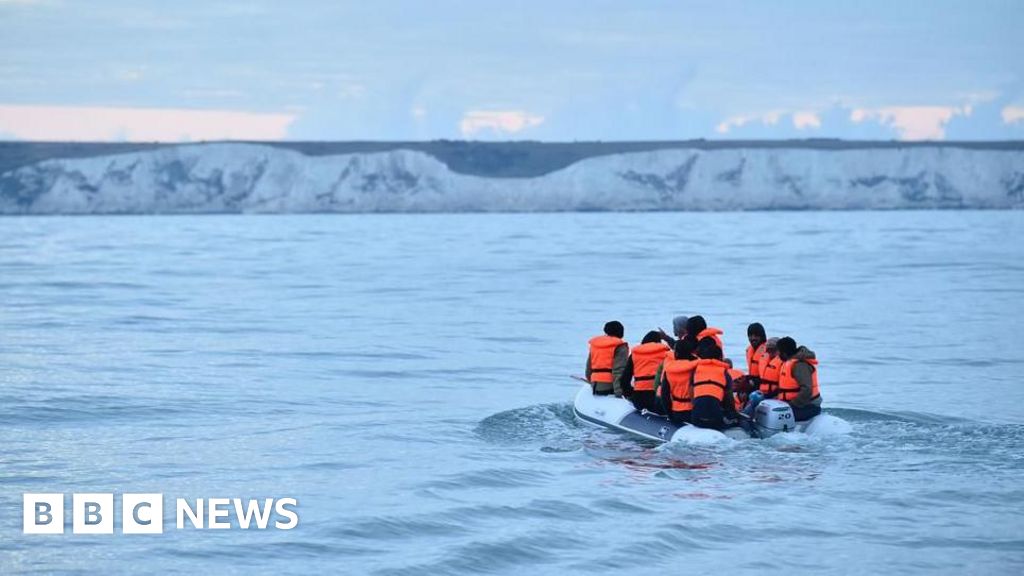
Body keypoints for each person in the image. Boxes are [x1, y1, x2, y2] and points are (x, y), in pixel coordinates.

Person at [687, 337, 739, 430]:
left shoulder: (696, 370)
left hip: (696, 418)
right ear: (719, 358)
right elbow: (729, 399)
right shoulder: (724, 373)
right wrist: (733, 414)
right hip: (715, 418)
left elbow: (691, 393)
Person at [775, 336, 822, 421]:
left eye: (779, 351)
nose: (778, 354)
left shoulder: (799, 365)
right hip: (798, 405)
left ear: (784, 353)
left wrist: (792, 405)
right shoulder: (789, 363)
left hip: (808, 406)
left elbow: (807, 389)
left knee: (775, 416)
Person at [624, 330, 671, 413]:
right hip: (659, 399)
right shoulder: (667, 353)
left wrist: (630, 394)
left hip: (639, 399)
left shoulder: (634, 354)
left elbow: (624, 379)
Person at [657, 338, 698, 425]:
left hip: (677, 412)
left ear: (676, 353)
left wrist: (670, 415)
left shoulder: (669, 370)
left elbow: (665, 396)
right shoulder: (696, 367)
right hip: (694, 412)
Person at [586, 321, 629, 397]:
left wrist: (591, 382)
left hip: (595, 385)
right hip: (610, 386)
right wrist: (619, 393)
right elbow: (618, 371)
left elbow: (588, 368)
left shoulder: (595, 344)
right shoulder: (620, 346)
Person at [743, 337, 780, 418]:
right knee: (753, 396)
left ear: (778, 350)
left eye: (772, 350)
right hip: (763, 392)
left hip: (775, 395)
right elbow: (761, 378)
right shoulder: (765, 360)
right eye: (768, 350)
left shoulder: (782, 363)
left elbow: (783, 384)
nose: (769, 352)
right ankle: (744, 416)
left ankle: (745, 417)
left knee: (755, 399)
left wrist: (772, 394)